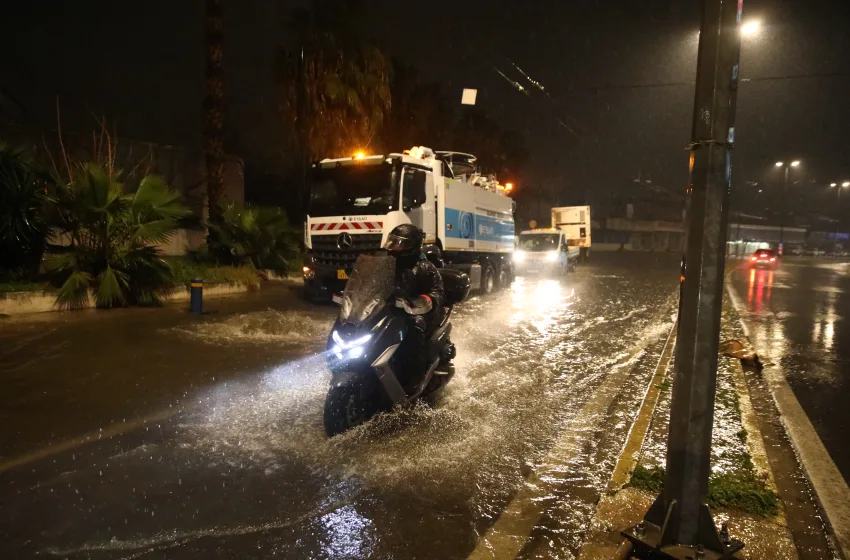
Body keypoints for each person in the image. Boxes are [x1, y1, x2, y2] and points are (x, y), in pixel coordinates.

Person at [384, 224, 445, 382]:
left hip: (417, 313)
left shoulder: (426, 268)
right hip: (391, 310)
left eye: (399, 244)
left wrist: (424, 300)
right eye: (393, 242)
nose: (394, 248)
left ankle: (414, 380)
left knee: (414, 329)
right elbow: (370, 284)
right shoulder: (386, 265)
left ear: (411, 246)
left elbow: (438, 293)